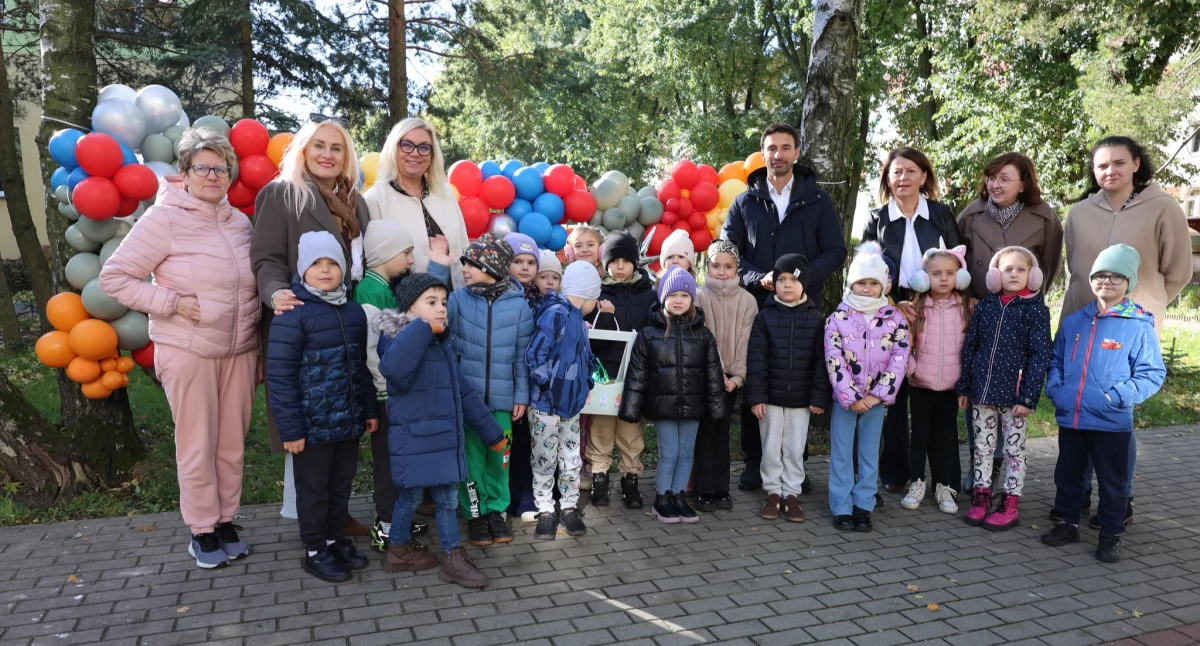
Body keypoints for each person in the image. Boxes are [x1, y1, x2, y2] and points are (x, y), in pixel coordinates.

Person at [99, 129, 260, 569]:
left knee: (231, 444)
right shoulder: (162, 219)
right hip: (188, 349)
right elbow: (114, 279)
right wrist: (171, 302)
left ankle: (226, 519)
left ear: (230, 174)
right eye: (202, 167)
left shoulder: (240, 222)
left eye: (220, 168)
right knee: (197, 443)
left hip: (239, 352)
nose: (212, 176)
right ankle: (202, 530)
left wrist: (259, 347)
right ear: (184, 173)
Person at [251, 116, 371, 533]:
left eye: (336, 148)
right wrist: (274, 292)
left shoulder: (356, 201)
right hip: (301, 321)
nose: (327, 154)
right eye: (318, 145)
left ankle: (334, 514)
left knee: (340, 420)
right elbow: (265, 257)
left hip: (345, 322)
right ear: (302, 151)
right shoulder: (282, 194)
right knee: (309, 423)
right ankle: (312, 523)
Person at [722, 123, 847, 493]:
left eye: (785, 147)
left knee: (797, 380)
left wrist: (802, 278)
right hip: (757, 307)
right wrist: (756, 276)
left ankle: (797, 466)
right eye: (771, 148)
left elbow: (836, 252)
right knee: (756, 378)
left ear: (796, 153)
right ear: (763, 155)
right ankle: (753, 462)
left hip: (803, 310)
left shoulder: (818, 200)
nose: (778, 154)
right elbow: (729, 254)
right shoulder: (745, 201)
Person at [376, 273, 506, 588]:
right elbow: (394, 370)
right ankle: (406, 551)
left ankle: (435, 553)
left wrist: (492, 433)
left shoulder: (440, 346)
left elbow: (463, 392)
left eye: (444, 302)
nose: (441, 309)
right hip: (417, 440)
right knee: (411, 496)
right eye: (431, 302)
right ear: (408, 309)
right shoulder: (396, 340)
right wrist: (421, 327)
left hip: (443, 440)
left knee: (446, 498)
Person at [1042, 244, 1166, 563]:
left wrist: (1118, 397)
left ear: (1128, 282)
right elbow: (1056, 360)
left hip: (1111, 422)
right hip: (1072, 417)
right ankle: (1068, 523)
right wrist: (1057, 388)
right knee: (1068, 475)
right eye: (1100, 275)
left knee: (1113, 483)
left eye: (1116, 276)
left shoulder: (1138, 325)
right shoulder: (1074, 322)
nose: (1106, 282)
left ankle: (1110, 534)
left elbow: (1151, 373)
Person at [265, 231, 378, 583]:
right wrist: (292, 429)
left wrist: (369, 409)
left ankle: (332, 537)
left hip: (348, 419)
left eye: (332, 263)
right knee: (313, 488)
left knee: (340, 483)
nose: (326, 270)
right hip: (312, 427)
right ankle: (315, 549)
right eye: (317, 264)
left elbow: (362, 366)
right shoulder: (292, 314)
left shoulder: (353, 310)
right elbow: (280, 377)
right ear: (303, 269)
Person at [862, 146, 965, 496]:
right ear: (887, 179)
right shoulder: (877, 218)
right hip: (890, 310)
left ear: (923, 176)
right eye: (895, 172)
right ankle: (896, 471)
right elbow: (864, 270)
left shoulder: (940, 214)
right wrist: (894, 305)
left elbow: (957, 265)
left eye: (910, 171)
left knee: (936, 397)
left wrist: (931, 301)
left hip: (936, 310)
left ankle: (945, 477)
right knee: (893, 395)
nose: (902, 177)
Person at [354, 220, 449, 553]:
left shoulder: (383, 287)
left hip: (391, 390)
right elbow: (373, 349)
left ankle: (398, 518)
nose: (410, 260)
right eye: (406, 252)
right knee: (388, 461)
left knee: (398, 459)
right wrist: (385, 388)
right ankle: (386, 525)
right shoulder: (370, 291)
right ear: (385, 253)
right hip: (385, 392)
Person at [446, 233, 534, 547]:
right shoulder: (456, 299)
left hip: (502, 400)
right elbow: (445, 345)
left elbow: (523, 357)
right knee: (471, 458)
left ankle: (497, 510)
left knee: (500, 458)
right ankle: (475, 513)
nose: (465, 269)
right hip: (468, 401)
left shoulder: (519, 306)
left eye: (472, 263)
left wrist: (521, 395)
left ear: (491, 266)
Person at [619, 266, 726, 524]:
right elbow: (637, 373)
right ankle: (661, 498)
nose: (678, 300)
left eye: (684, 295)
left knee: (686, 453)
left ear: (692, 298)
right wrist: (631, 408)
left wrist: (717, 407)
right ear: (662, 297)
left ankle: (678, 496)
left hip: (693, 405)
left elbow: (713, 373)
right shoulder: (649, 334)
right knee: (669, 453)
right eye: (672, 295)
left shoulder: (702, 334)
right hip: (662, 405)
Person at [957, 246, 1052, 531]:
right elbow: (970, 347)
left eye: (1021, 269)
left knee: (1013, 450)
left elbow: (1040, 355)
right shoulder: (985, 306)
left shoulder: (1036, 311)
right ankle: (981, 496)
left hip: (1015, 397)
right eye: (1007, 269)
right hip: (981, 394)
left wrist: (1028, 396)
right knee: (982, 448)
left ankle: (1010, 503)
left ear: (1033, 275)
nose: (1014, 274)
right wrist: (964, 387)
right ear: (996, 275)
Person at [1062, 136, 1191, 337]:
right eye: (1102, 166)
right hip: (1080, 325)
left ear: (1136, 164)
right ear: (1093, 170)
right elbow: (1074, 265)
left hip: (1135, 328)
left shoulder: (1164, 208)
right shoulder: (1078, 213)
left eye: (1119, 163)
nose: (1110, 171)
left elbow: (1179, 272)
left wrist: (1149, 301)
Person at [824, 243, 910, 533]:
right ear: (852, 283)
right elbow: (833, 359)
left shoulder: (895, 318)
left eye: (874, 283)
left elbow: (899, 360)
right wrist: (850, 397)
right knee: (841, 452)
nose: (867, 288)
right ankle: (841, 505)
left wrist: (876, 396)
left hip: (875, 401)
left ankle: (864, 504)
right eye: (861, 282)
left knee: (869, 453)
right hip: (846, 400)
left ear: (883, 285)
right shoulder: (837, 319)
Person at [746, 254, 830, 522]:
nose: (787, 285)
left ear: (804, 283)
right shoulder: (765, 317)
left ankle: (791, 494)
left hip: (801, 399)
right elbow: (756, 359)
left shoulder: (816, 319)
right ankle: (773, 492)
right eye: (781, 279)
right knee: (770, 446)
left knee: (794, 447)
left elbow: (821, 361)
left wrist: (818, 396)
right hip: (770, 398)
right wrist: (757, 396)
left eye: (794, 279)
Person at [525, 261, 598, 540]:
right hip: (546, 406)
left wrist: (586, 382)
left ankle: (568, 506)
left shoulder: (578, 319)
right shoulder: (555, 314)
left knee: (570, 458)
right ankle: (545, 509)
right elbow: (535, 354)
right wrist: (548, 386)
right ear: (587, 293)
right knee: (544, 458)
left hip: (571, 405)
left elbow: (585, 357)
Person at [901, 246, 974, 514]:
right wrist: (912, 369)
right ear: (923, 278)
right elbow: (903, 344)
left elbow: (972, 347)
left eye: (950, 273)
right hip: (921, 384)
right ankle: (917, 482)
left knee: (946, 436)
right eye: (936, 273)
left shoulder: (967, 307)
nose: (943, 278)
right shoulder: (915, 307)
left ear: (960, 277)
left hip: (951, 387)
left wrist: (965, 381)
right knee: (919, 434)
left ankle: (944, 486)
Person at [589, 231, 655, 509]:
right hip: (606, 376)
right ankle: (599, 479)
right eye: (613, 261)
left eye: (625, 261)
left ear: (635, 263)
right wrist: (604, 317)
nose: (619, 267)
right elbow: (593, 343)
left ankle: (631, 479)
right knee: (601, 431)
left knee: (631, 432)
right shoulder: (597, 294)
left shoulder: (649, 294)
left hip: (636, 377)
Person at [364, 117, 471, 290]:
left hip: (457, 300)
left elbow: (464, 244)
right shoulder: (375, 199)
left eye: (423, 147)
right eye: (406, 145)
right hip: (408, 306)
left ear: (432, 154)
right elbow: (375, 265)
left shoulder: (445, 192)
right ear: (394, 148)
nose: (415, 153)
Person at [692, 240, 758, 512]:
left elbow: (746, 341)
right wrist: (716, 374)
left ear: (737, 268)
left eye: (728, 267)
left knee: (722, 434)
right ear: (707, 266)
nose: (721, 271)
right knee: (704, 433)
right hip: (706, 378)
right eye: (716, 265)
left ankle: (722, 489)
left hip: (731, 381)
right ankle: (703, 490)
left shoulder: (747, 301)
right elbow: (703, 336)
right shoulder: (698, 296)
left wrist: (737, 377)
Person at [956, 152, 1063, 302]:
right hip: (977, 307)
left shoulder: (1044, 216)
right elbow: (953, 259)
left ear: (1022, 185)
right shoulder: (971, 214)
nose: (995, 185)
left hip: (1024, 309)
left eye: (1004, 179)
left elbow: (1050, 263)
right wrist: (966, 297)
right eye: (991, 178)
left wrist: (1034, 295)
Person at [503, 232, 541, 523]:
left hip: (533, 380)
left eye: (531, 262)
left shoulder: (542, 299)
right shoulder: (501, 296)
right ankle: (503, 497)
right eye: (517, 261)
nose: (525, 268)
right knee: (506, 441)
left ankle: (525, 496)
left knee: (527, 440)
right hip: (505, 380)